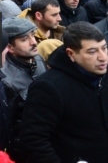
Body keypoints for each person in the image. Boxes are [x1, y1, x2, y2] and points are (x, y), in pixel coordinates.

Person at [17, 22, 108, 162]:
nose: (102, 57)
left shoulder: (103, 75)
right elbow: (34, 140)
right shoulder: (48, 87)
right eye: (92, 51)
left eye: (104, 48)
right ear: (71, 54)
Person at [0, 18, 47, 161]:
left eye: (33, 35)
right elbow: (9, 126)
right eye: (24, 39)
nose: (34, 42)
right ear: (10, 47)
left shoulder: (37, 59)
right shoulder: (6, 80)